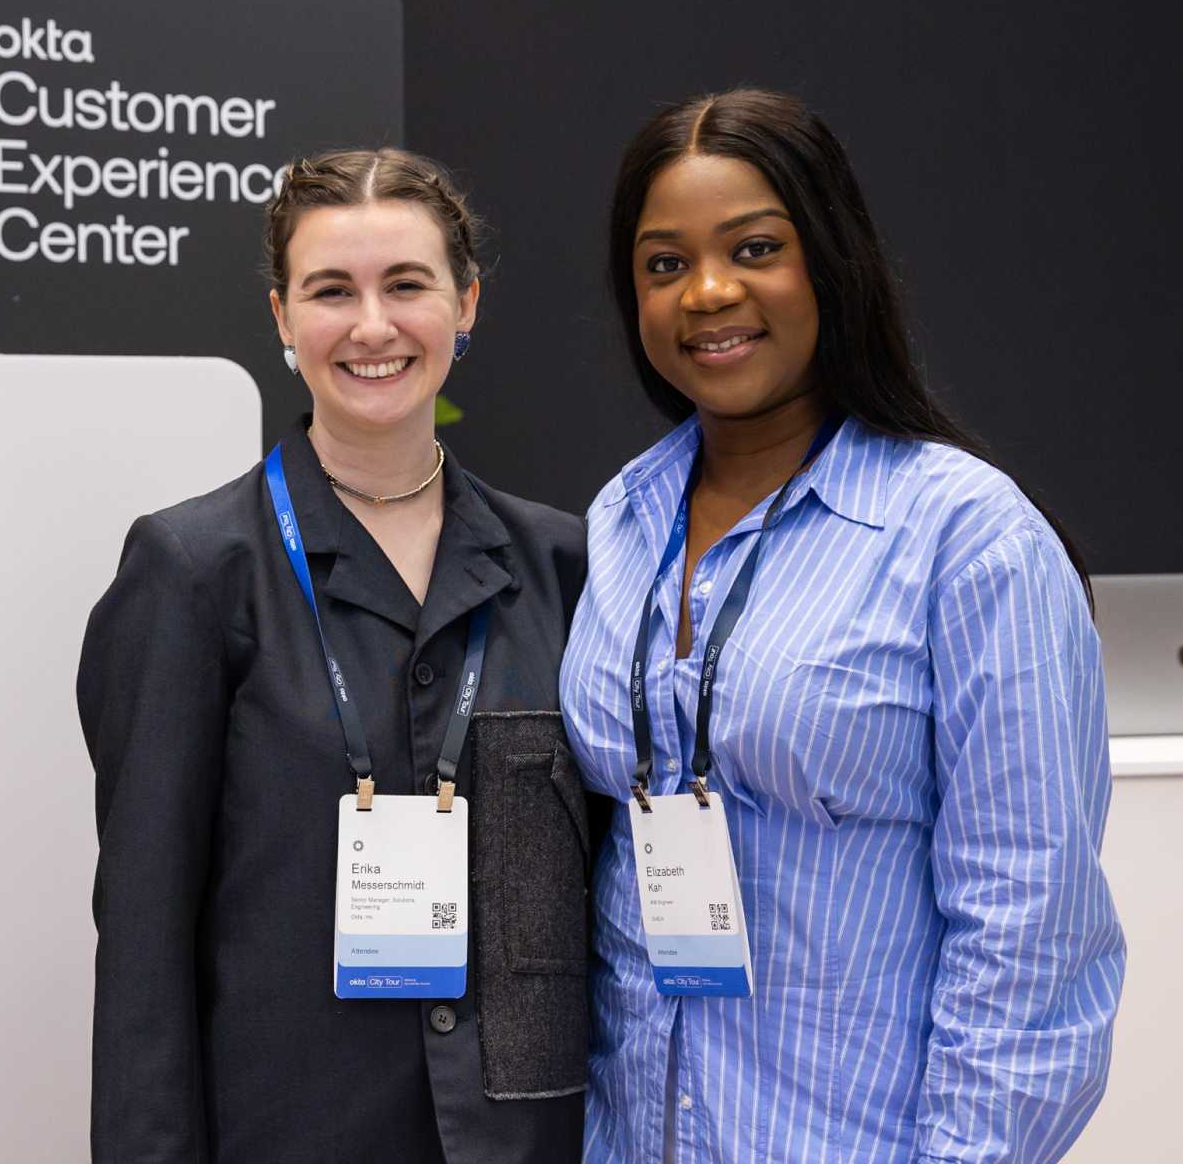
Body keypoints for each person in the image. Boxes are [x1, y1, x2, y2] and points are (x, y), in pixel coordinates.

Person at [560, 90, 1125, 1164]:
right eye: (663, 263)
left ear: (831, 257)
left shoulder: (967, 538)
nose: (708, 292)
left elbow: (1028, 936)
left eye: (754, 248)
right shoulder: (619, 519)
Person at [78, 149, 591, 1164]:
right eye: (329, 291)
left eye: (406, 285)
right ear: (280, 318)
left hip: (526, 1136)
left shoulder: (562, 562)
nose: (370, 326)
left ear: (467, 303)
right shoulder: (193, 570)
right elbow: (144, 950)